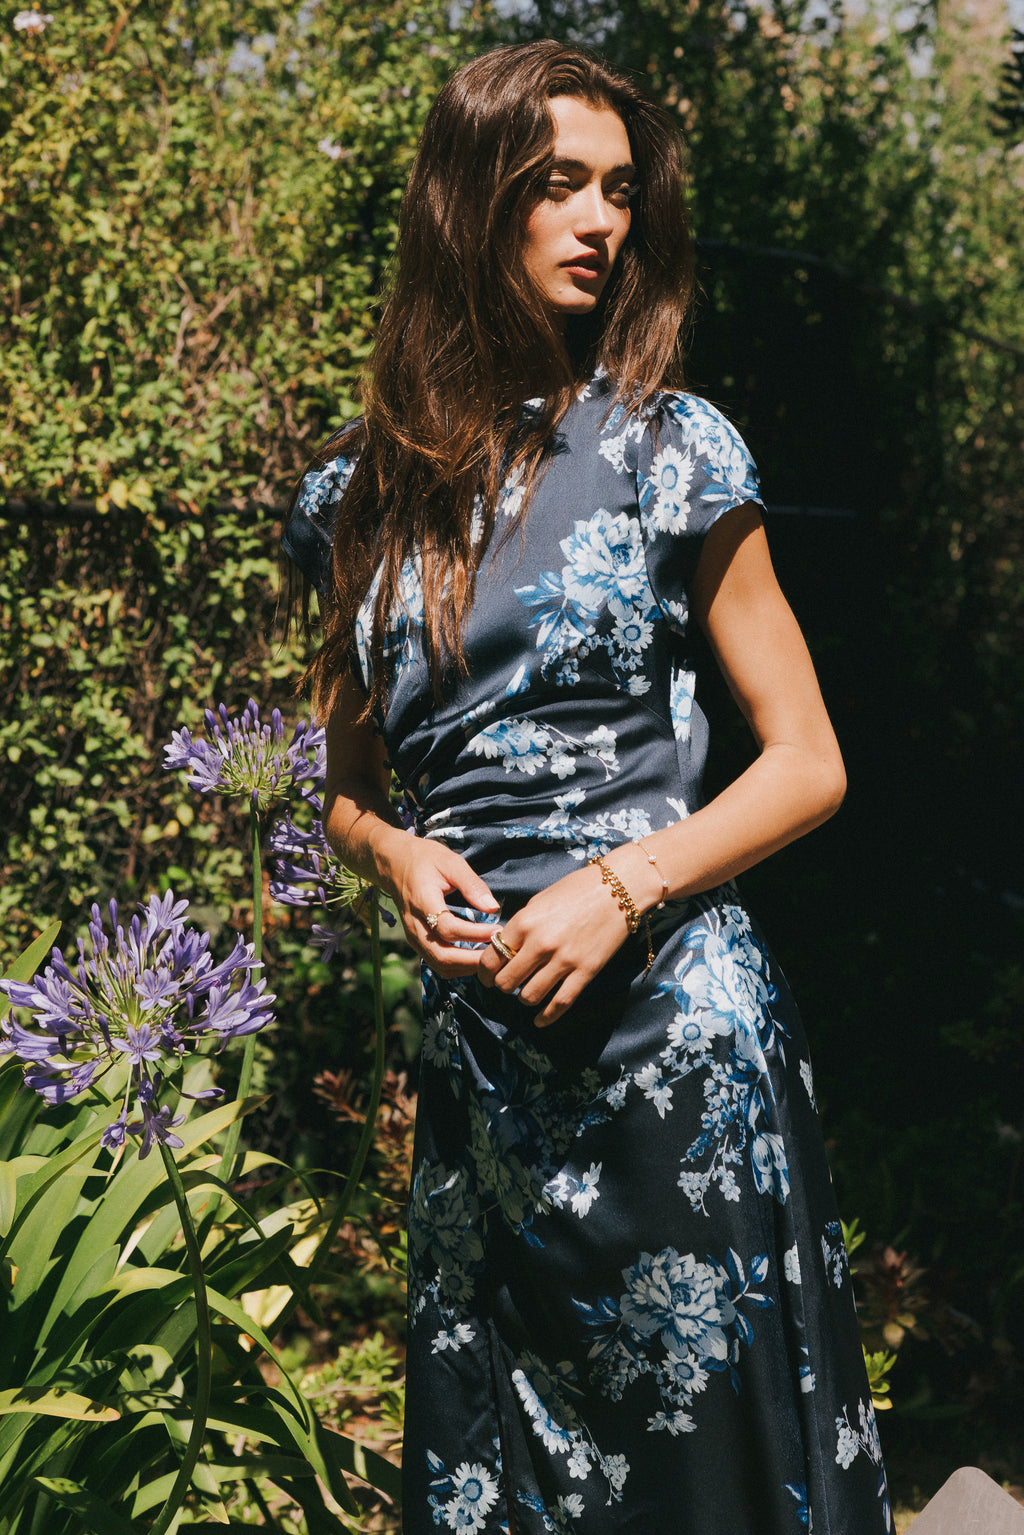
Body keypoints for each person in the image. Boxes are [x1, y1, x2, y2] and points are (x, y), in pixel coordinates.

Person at [284, 39, 892, 1535]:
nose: (600, 220)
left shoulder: (674, 453)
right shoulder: (353, 497)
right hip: (487, 1088)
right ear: (468, 199)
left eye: (619, 191)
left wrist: (623, 885)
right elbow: (344, 783)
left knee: (712, 1489)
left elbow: (809, 763)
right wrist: (393, 857)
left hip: (673, 1048)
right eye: (558, 183)